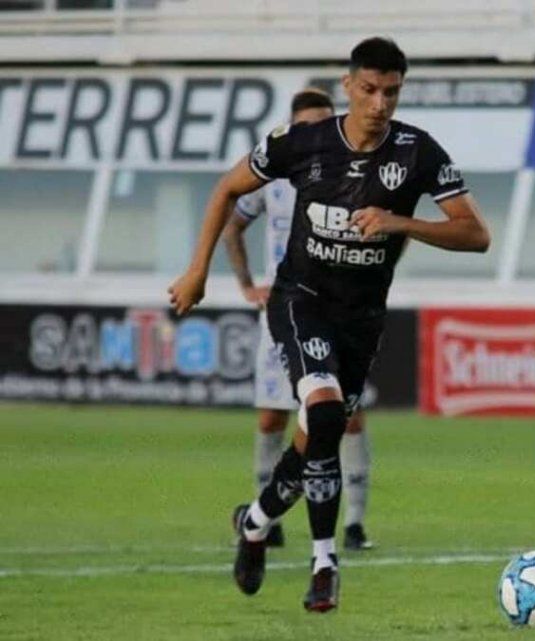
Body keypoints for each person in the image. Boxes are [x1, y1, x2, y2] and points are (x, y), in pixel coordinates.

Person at [168, 36, 491, 612]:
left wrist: (401, 222)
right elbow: (227, 189)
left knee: (315, 439)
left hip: (361, 319)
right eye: (369, 89)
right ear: (348, 86)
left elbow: (476, 234)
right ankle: (325, 563)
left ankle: (255, 522)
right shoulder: (304, 142)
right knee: (321, 413)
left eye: (391, 92)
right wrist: (197, 272)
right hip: (301, 300)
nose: (380, 103)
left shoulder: (418, 152)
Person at [221, 88, 374, 552]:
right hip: (286, 310)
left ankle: (354, 523)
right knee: (273, 417)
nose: (317, 133)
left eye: (324, 123)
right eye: (308, 125)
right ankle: (268, 519)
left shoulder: (355, 173)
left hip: (340, 311)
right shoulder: (272, 176)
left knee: (345, 416)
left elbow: (391, 224)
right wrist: (247, 285)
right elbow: (232, 224)